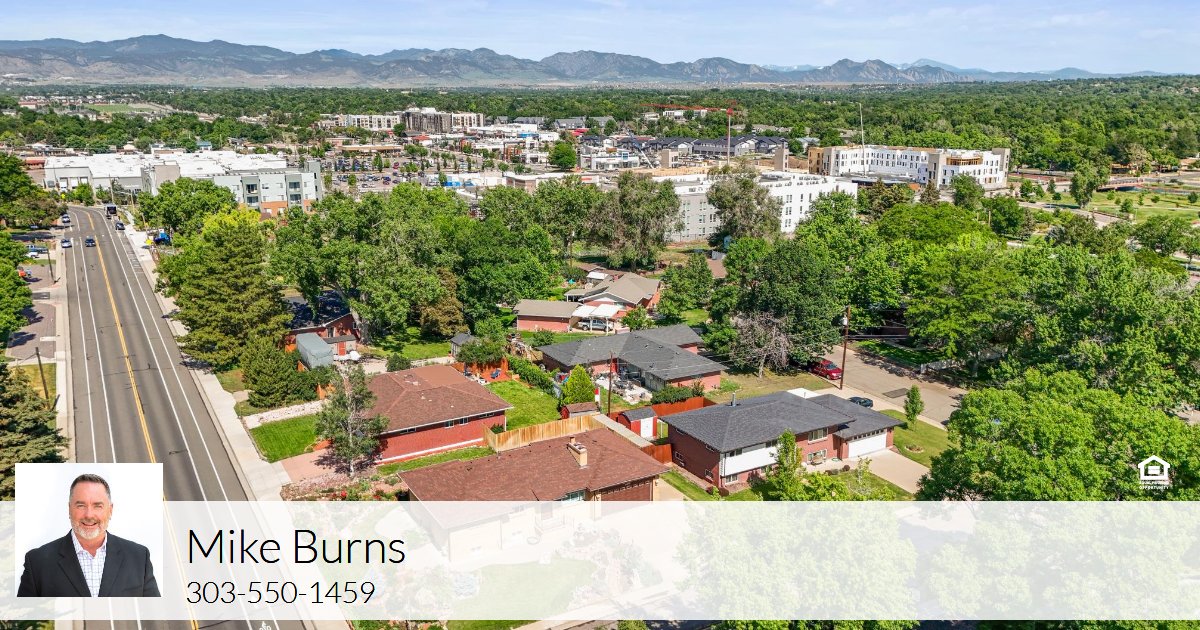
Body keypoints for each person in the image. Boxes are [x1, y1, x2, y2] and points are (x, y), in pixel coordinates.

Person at [17, 473, 159, 597]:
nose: (89, 515)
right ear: (69, 509)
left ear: (110, 510)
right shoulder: (37, 562)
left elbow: (155, 612)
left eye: (97, 506)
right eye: (81, 505)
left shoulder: (139, 557)